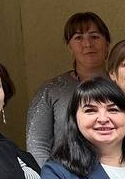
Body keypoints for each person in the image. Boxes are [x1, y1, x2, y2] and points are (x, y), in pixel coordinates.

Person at [26, 11, 111, 164]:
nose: (87, 44)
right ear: (69, 47)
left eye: (95, 37)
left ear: (107, 44)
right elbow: (37, 144)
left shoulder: (123, 86)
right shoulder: (51, 90)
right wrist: (50, 177)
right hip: (63, 175)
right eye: (78, 38)